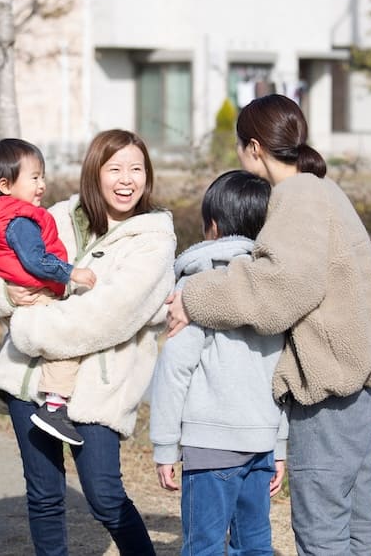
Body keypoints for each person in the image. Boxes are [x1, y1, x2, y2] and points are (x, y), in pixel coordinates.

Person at [166, 94, 371, 556]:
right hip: (365, 385)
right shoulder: (325, 189)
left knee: (321, 528)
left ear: (253, 148)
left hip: (334, 390)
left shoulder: (296, 197)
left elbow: (278, 291)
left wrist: (194, 297)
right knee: (356, 520)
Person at [0, 129, 176, 556]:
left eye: (136, 169)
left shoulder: (154, 238)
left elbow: (110, 314)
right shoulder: (56, 216)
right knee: (44, 495)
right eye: (115, 169)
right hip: (27, 380)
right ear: (94, 173)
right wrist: (3, 294)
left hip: (98, 386)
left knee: (104, 495)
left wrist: (31, 331)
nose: (127, 180)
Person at [150, 169, 287, 556]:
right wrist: (279, 445)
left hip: (209, 446)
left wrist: (165, 445)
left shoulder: (195, 287)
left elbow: (175, 370)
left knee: (204, 547)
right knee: (255, 546)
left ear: (211, 226)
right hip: (261, 441)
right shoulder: (274, 289)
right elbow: (284, 372)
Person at [0, 138, 95, 446]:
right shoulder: (19, 220)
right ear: (5, 185)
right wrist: (72, 273)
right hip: (38, 293)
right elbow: (36, 260)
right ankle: (56, 407)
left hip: (27, 297)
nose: (42, 185)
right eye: (34, 178)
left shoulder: (0, 217)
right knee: (65, 342)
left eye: (43, 176)